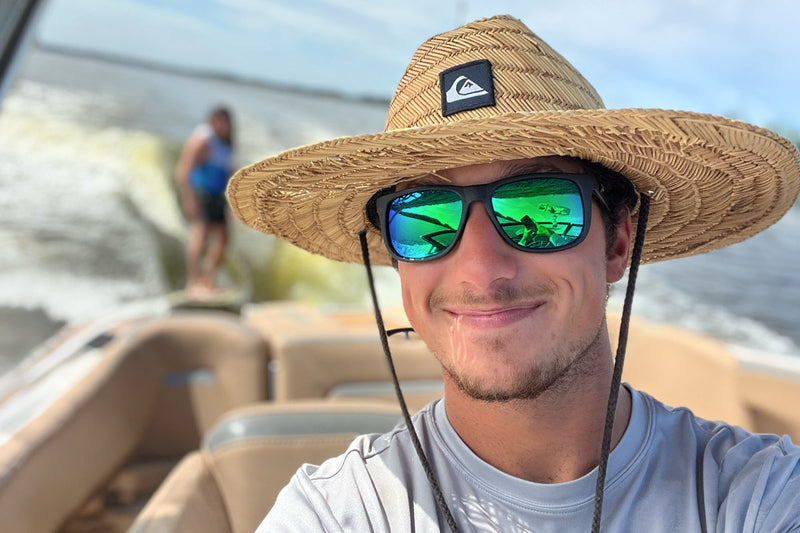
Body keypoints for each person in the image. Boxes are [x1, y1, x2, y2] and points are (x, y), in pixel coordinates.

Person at [227, 16, 800, 532]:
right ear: (399, 263)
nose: (482, 270)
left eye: (541, 207)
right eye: (425, 217)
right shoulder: (336, 514)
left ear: (618, 242)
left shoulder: (755, 496)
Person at [175, 106, 234, 297]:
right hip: (202, 193)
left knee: (223, 240)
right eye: (220, 121)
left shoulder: (226, 143)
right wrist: (188, 199)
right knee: (200, 237)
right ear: (212, 121)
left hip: (217, 196)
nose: (224, 126)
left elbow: (228, 175)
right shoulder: (203, 139)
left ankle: (208, 281)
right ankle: (193, 283)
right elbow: (183, 169)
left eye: (226, 122)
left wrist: (233, 204)